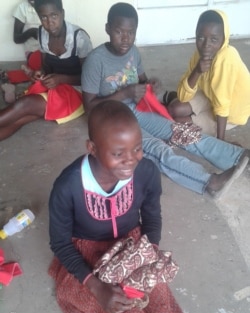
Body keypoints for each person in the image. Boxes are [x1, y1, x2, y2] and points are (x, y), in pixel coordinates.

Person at [48, 100, 204, 313]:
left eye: (136, 149)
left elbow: (153, 220)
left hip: (133, 247)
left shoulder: (145, 171)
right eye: (117, 153)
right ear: (91, 147)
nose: (129, 161)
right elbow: (60, 244)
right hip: (90, 260)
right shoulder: (68, 186)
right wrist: (97, 287)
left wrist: (146, 260)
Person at [81, 2, 249, 198]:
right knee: (156, 149)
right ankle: (209, 182)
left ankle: (236, 157)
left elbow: (141, 79)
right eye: (119, 32)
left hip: (136, 109)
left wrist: (150, 83)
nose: (125, 39)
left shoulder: (132, 51)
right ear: (108, 29)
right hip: (110, 121)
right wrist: (125, 93)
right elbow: (89, 108)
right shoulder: (95, 60)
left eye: (131, 32)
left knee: (183, 132)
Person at [0, 0, 92, 141]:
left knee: (24, 104)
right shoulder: (42, 33)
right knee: (21, 118)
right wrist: (40, 74)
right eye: (44, 17)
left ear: (62, 14)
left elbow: (89, 79)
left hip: (76, 92)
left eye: (54, 16)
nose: (49, 22)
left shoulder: (79, 37)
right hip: (54, 86)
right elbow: (46, 67)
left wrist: (61, 79)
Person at [167, 10, 250, 140]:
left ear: (224, 39)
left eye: (214, 39)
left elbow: (223, 104)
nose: (206, 45)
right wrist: (197, 71)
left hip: (231, 111)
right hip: (210, 95)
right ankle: (172, 97)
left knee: (177, 123)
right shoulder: (198, 55)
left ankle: (173, 98)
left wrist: (220, 141)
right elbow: (183, 96)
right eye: (201, 38)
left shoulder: (226, 59)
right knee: (174, 109)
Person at [1, 0, 42, 104]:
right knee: (42, 74)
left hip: (49, 51)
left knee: (46, 71)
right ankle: (23, 95)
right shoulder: (22, 8)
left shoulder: (50, 4)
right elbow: (17, 39)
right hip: (33, 52)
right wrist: (31, 32)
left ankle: (8, 75)